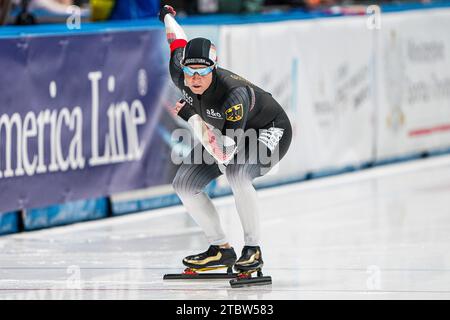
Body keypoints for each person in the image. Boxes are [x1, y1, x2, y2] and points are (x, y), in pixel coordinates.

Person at [159, 5, 292, 279]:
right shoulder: (179, 73)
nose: (195, 78)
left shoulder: (233, 96)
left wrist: (193, 117)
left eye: (203, 72)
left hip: (268, 129)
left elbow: (223, 154)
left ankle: (253, 249)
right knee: (184, 184)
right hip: (227, 133)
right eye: (189, 70)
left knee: (237, 172)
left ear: (214, 69)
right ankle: (220, 249)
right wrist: (168, 15)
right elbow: (177, 39)